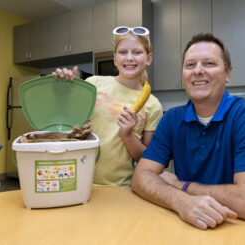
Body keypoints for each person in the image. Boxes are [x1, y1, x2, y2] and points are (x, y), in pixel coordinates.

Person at [131, 33, 245, 230]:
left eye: (209, 63)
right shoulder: (172, 119)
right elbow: (140, 178)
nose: (197, 71)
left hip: (244, 227)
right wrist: (181, 201)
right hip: (192, 224)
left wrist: (182, 186)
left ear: (228, 73)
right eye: (190, 65)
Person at [54, 26, 163, 186]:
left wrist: (127, 135)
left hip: (121, 187)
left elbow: (147, 159)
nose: (129, 58)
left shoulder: (153, 105)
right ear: (115, 58)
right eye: (123, 52)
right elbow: (66, 119)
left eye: (137, 52)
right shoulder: (93, 84)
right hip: (78, 179)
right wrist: (63, 89)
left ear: (148, 58)